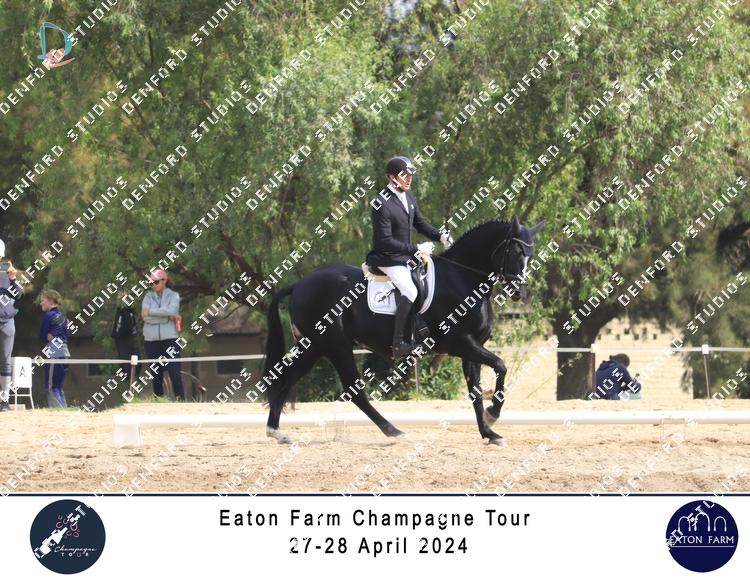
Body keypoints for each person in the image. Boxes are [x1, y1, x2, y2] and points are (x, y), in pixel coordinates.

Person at [366, 156, 453, 357]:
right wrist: (416, 248)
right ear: (392, 177)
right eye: (405, 176)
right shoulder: (381, 203)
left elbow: (420, 224)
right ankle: (399, 344)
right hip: (387, 258)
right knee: (411, 291)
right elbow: (384, 241)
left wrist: (440, 236)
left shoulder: (409, 197)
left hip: (405, 257)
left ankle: (421, 329)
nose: (409, 179)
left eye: (410, 175)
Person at [141, 269, 185, 400]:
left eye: (155, 282)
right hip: (151, 341)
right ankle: (159, 402)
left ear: (164, 281)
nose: (153, 285)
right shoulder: (147, 297)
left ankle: (181, 401)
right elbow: (144, 317)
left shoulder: (174, 296)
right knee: (156, 374)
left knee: (175, 373)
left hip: (171, 339)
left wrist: (151, 312)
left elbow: (171, 310)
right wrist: (167, 318)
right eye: (151, 283)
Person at [0, 239, 21, 412]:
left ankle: (4, 400)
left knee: (6, 362)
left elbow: (18, 295)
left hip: (7, 321)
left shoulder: (8, 272)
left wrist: (13, 279)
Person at [39, 289, 70, 408]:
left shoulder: (49, 315)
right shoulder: (62, 316)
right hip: (65, 353)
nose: (41, 303)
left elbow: (42, 335)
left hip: (54, 353)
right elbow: (64, 336)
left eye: (43, 300)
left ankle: (57, 412)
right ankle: (63, 411)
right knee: (58, 386)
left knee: (51, 387)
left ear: (51, 301)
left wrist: (50, 338)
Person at [111, 292, 141, 382]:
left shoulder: (131, 311)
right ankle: (128, 377)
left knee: (136, 358)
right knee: (125, 361)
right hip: (122, 338)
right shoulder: (122, 310)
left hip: (131, 337)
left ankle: (133, 376)